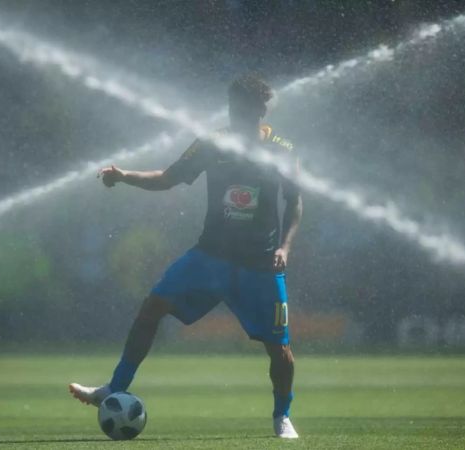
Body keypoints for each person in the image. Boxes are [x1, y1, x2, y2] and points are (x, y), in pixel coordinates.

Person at [68, 74, 303, 439]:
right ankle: (112, 389)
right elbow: (168, 177)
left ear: (259, 110)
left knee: (280, 350)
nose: (235, 115)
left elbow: (295, 202)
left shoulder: (281, 150)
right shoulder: (212, 143)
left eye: (242, 108)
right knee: (152, 307)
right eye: (231, 108)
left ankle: (282, 417)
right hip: (209, 257)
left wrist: (284, 247)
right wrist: (124, 175)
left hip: (259, 265)